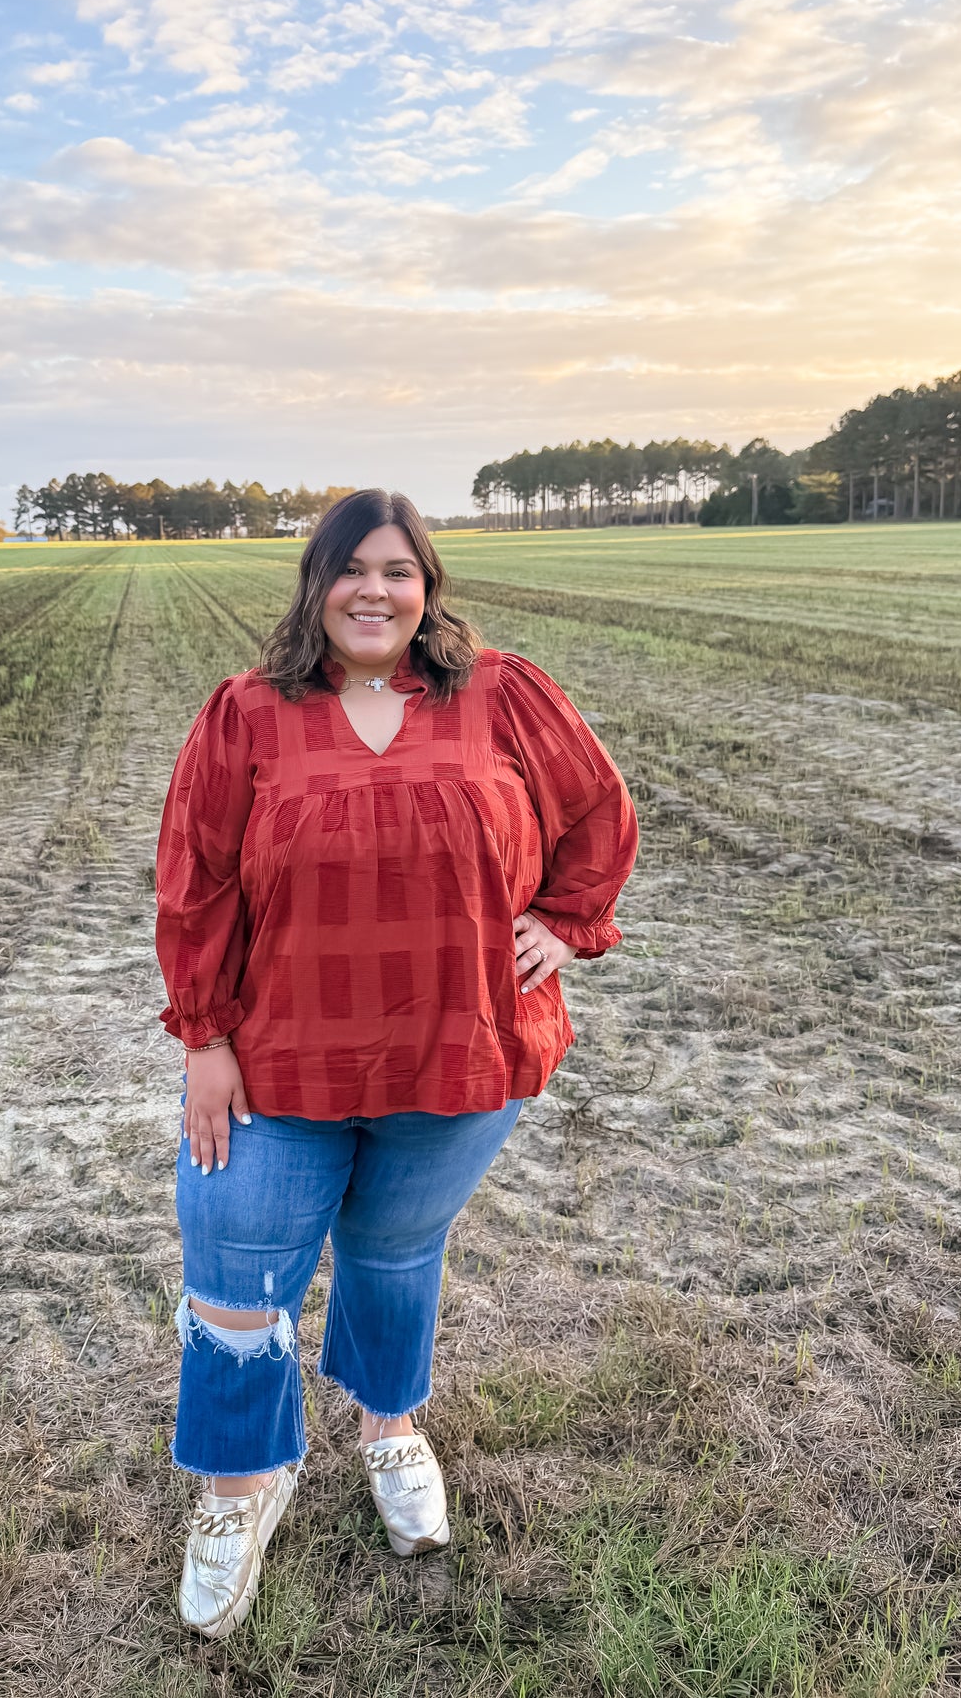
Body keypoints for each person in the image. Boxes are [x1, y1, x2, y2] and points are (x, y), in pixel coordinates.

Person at [155, 488, 638, 1638]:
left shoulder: (500, 695)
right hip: (281, 1064)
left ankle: (388, 1426)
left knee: (393, 1252)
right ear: (313, 585)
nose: (374, 590)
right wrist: (204, 1040)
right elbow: (196, 883)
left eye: (398, 569)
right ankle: (239, 1490)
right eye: (350, 568)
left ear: (427, 587)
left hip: (460, 1048)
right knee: (233, 1279)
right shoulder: (246, 716)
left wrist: (567, 922)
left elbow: (597, 813)